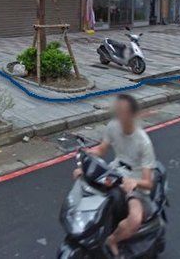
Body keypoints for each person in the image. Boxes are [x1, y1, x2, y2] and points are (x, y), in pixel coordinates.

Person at [73, 94, 156, 257]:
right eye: (118, 111)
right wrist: (88, 155)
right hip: (114, 172)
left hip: (134, 182)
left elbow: (148, 182)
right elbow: (101, 149)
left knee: (135, 219)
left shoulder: (143, 142)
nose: (119, 115)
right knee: (81, 178)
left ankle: (113, 240)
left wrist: (134, 182)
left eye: (123, 112)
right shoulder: (113, 126)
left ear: (132, 115)